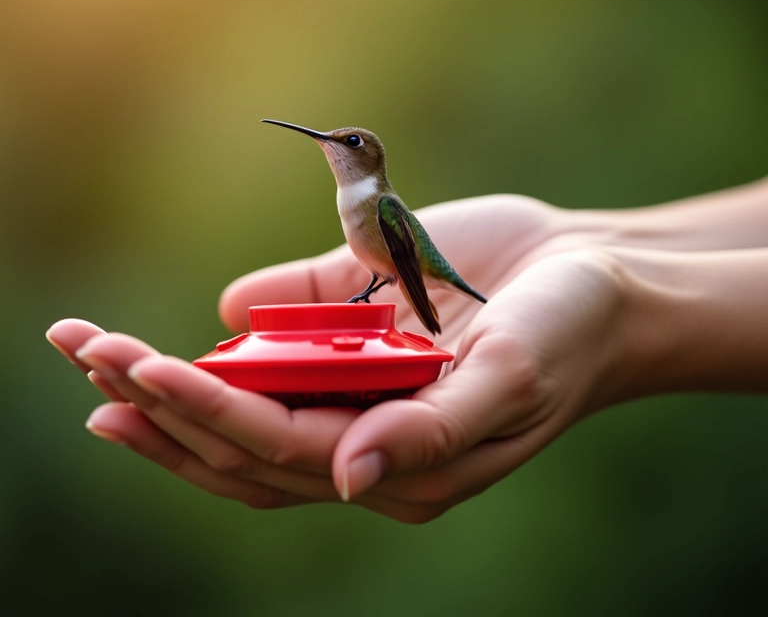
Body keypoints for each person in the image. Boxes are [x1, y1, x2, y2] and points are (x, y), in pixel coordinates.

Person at [46, 180, 768, 524]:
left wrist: (618, 305)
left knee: (435, 291)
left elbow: (405, 261)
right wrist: (569, 241)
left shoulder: (380, 207)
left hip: (418, 271)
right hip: (426, 267)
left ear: (367, 158)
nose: (330, 147)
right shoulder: (353, 206)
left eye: (345, 142)